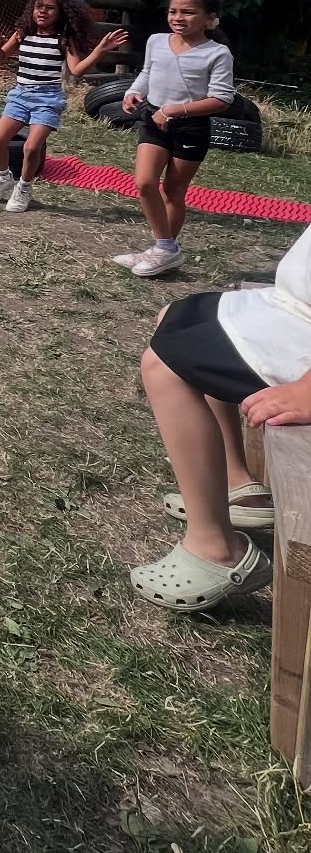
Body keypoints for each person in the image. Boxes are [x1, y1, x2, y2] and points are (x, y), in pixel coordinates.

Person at [130, 223, 311, 611]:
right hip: (294, 309)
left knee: (164, 367)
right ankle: (234, 482)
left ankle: (216, 547)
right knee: (178, 317)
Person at [114, 0, 235, 277]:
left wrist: (174, 110)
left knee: (172, 190)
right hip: (153, 119)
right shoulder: (156, 41)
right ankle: (166, 248)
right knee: (144, 183)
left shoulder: (218, 54)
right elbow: (147, 73)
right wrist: (132, 90)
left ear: (210, 18)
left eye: (188, 12)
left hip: (190, 128)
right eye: (173, 11)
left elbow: (222, 99)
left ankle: (162, 250)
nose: (178, 17)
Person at [0, 0, 127, 212]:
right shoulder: (22, 33)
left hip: (47, 99)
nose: (43, 12)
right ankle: (3, 177)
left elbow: (77, 70)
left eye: (50, 8)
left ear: (60, 13)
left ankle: (24, 187)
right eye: (39, 7)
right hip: (20, 94)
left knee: (31, 148)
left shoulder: (64, 40)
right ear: (32, 9)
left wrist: (99, 50)